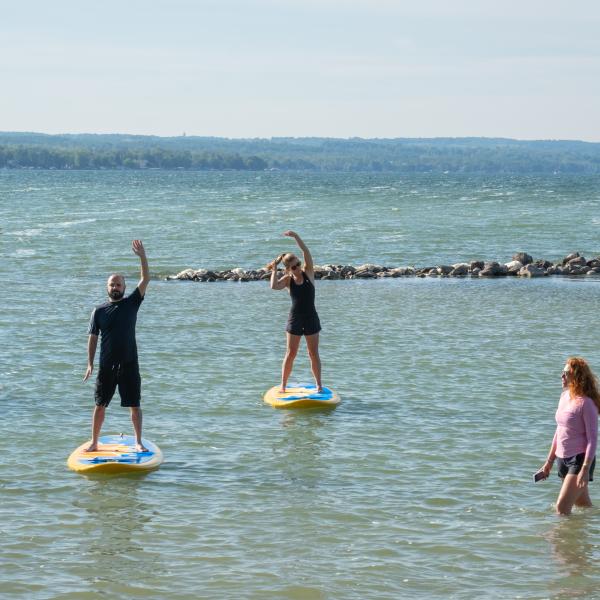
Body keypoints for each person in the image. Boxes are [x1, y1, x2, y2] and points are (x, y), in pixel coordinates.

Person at [83, 240, 150, 452]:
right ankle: (94, 442)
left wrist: (142, 257)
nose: (115, 287)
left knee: (135, 405)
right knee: (99, 405)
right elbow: (93, 337)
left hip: (130, 364)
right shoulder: (99, 311)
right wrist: (90, 364)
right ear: (107, 287)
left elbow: (145, 278)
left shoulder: (132, 303)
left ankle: (138, 442)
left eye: (118, 284)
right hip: (107, 365)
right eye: (112, 284)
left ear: (124, 287)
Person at [539, 357, 600, 515]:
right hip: (562, 458)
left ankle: (562, 540)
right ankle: (588, 534)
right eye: (562, 373)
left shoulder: (586, 404)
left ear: (577, 376)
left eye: (566, 373)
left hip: (579, 460)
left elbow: (593, 439)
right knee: (583, 506)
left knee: (562, 508)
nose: (562, 376)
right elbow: (559, 430)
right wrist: (549, 462)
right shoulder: (564, 397)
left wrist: (585, 469)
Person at [266, 230, 322, 394]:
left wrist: (296, 236)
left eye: (298, 264)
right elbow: (273, 286)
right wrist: (274, 269)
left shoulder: (309, 273)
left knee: (313, 353)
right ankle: (283, 385)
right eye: (294, 266)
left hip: (311, 318)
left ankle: (319, 384)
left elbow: (306, 252)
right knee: (291, 353)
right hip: (295, 319)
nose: (298, 268)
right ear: (288, 269)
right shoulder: (288, 280)